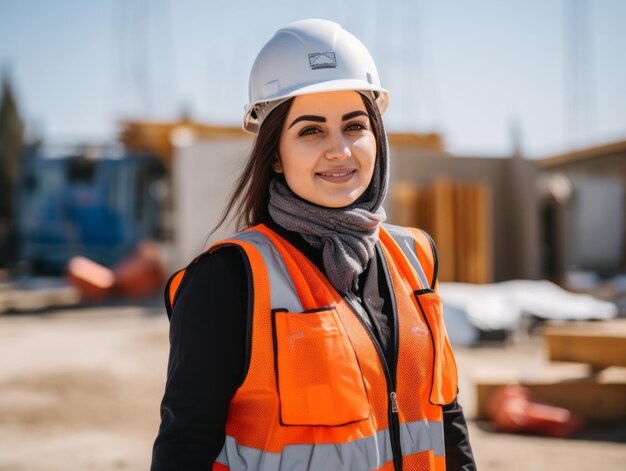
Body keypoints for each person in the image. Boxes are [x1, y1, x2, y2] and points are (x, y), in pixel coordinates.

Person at [151, 18, 476, 471]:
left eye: (355, 125)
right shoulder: (228, 280)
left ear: (377, 138)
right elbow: (183, 449)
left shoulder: (416, 258)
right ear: (276, 155)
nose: (340, 149)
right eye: (311, 130)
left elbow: (448, 419)